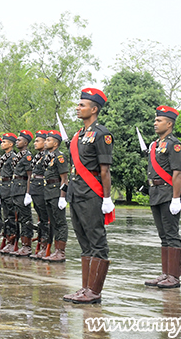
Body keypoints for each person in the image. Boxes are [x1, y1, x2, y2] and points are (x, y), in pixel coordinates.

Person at [63, 88, 115, 304]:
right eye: (79, 104)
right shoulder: (78, 135)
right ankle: (85, 288)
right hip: (76, 194)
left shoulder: (102, 134)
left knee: (97, 241)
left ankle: (94, 291)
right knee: (84, 243)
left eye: (82, 105)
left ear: (94, 109)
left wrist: (107, 198)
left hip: (92, 193)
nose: (78, 107)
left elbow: (104, 170)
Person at [144, 105, 181, 289]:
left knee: (172, 235)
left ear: (169, 123)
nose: (155, 123)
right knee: (163, 235)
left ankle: (174, 276)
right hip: (155, 193)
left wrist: (176, 198)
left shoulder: (174, 144)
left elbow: (177, 174)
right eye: (155, 120)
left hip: (168, 193)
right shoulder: (155, 144)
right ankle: (165, 273)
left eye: (159, 120)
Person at [41, 130, 69, 262]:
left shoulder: (60, 157)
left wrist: (63, 197)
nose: (45, 142)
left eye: (48, 140)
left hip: (56, 193)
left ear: (56, 143)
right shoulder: (49, 157)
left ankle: (60, 251)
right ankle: (55, 250)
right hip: (48, 192)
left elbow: (64, 179)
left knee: (60, 222)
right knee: (53, 222)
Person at [12, 130, 34, 256]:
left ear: (25, 142)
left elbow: (29, 176)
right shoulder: (18, 156)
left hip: (22, 189)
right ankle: (21, 243)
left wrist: (28, 193)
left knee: (26, 218)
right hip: (15, 189)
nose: (17, 141)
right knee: (18, 218)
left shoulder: (27, 157)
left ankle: (27, 245)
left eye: (19, 140)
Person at [29, 130, 50, 259]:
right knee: (41, 219)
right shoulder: (37, 157)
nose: (35, 143)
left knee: (45, 218)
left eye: (38, 140)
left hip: (43, 189)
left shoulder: (48, 156)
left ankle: (45, 246)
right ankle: (41, 243)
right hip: (35, 189)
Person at [0, 133, 18, 254]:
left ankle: (12, 240)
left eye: (4, 142)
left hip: (10, 187)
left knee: (12, 215)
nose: (2, 144)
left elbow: (16, 175)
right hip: (4, 187)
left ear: (11, 144)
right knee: (6, 215)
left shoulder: (13, 157)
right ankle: (7, 238)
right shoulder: (4, 157)